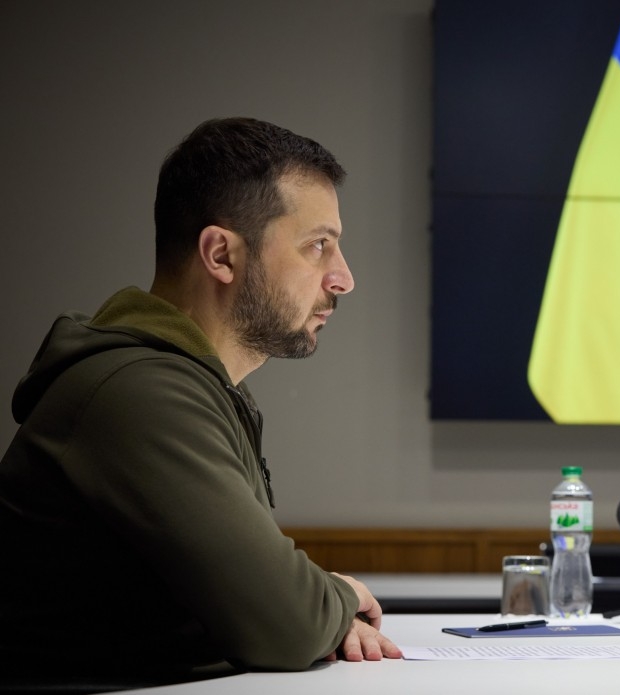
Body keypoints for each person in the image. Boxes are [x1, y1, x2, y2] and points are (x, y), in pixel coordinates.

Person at [0, 117, 402, 685]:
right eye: (318, 246)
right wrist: (338, 597)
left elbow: (261, 607)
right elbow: (284, 622)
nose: (343, 278)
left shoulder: (191, 386)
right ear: (220, 255)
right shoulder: (139, 392)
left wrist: (315, 606)